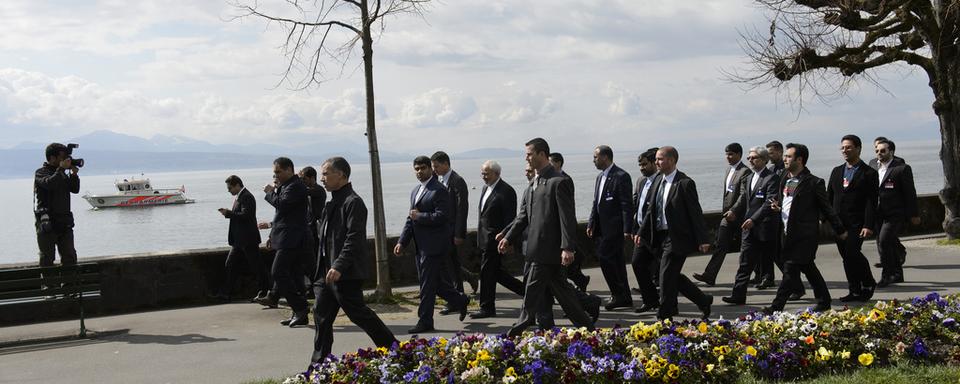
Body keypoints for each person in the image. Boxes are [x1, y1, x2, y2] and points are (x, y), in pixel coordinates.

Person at [500, 138, 595, 338]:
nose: (526, 158)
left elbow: (567, 218)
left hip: (548, 251)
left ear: (542, 155)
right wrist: (508, 238)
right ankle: (589, 329)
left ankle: (515, 331)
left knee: (531, 293)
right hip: (536, 250)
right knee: (566, 296)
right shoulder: (534, 183)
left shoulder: (559, 182)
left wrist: (568, 248)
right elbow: (523, 217)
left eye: (529, 154)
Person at [310, 157, 397, 364]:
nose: (322, 178)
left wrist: (338, 265)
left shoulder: (353, 202)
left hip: (344, 274)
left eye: (325, 173)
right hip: (325, 274)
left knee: (359, 314)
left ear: (341, 175)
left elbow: (354, 239)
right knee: (321, 318)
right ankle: (317, 365)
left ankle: (395, 350)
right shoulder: (332, 202)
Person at [763, 143, 846, 314]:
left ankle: (775, 307)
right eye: (785, 156)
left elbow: (827, 208)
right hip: (786, 232)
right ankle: (824, 301)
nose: (784, 159)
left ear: (799, 159)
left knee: (789, 270)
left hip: (804, 235)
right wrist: (778, 208)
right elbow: (788, 202)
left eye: (788, 156)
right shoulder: (786, 178)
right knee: (808, 268)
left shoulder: (813, 182)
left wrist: (839, 229)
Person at [395, 156, 470, 334]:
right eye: (416, 169)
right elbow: (410, 218)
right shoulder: (415, 191)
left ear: (431, 169)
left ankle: (425, 321)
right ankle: (460, 300)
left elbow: (443, 216)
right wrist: (402, 241)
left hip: (435, 246)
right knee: (434, 284)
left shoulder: (439, 190)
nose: (419, 171)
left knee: (426, 286)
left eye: (423, 168)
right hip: (420, 247)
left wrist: (420, 216)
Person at [637, 146, 713, 321]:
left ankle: (665, 315)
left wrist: (703, 239)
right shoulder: (657, 180)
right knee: (671, 276)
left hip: (677, 238)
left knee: (665, 276)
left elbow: (695, 212)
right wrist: (641, 232)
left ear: (671, 160)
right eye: (656, 159)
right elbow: (650, 210)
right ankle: (703, 300)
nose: (656, 162)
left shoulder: (685, 183)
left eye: (660, 159)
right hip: (659, 236)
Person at [256, 157, 312, 328]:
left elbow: (282, 205)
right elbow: (280, 216)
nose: (276, 175)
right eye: (275, 172)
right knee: (295, 276)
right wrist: (273, 236)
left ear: (289, 170)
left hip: (293, 239)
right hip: (288, 238)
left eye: (278, 172)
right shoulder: (287, 186)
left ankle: (301, 308)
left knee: (278, 272)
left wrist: (269, 192)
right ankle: (299, 313)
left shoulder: (295, 186)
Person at [720, 147, 779, 305]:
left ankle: (796, 287)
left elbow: (769, 202)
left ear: (764, 160)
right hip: (749, 228)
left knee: (779, 260)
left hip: (765, 228)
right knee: (744, 262)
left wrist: (754, 219)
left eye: (754, 158)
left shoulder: (772, 178)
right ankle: (738, 295)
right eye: (749, 158)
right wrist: (733, 210)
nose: (750, 160)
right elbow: (743, 198)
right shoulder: (749, 177)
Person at [827, 134, 879, 302]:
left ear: (858, 148)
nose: (845, 150)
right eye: (842, 147)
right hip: (838, 223)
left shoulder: (869, 173)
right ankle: (854, 289)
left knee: (852, 252)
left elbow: (872, 201)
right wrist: (825, 218)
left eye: (848, 147)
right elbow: (828, 197)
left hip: (857, 223)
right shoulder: (836, 171)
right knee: (846, 257)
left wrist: (868, 225)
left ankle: (868, 281)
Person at [471, 160, 525, 319]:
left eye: (486, 174)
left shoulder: (506, 191)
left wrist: (509, 239)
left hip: (496, 240)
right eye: (482, 173)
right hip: (484, 239)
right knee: (496, 273)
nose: (483, 177)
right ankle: (532, 294)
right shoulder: (484, 188)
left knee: (487, 273)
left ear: (497, 173)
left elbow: (511, 219)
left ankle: (487, 307)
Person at [695, 143, 751, 286]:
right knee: (720, 245)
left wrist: (734, 210)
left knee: (750, 249)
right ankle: (710, 275)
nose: (728, 157)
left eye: (731, 154)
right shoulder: (728, 170)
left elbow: (743, 195)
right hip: (727, 216)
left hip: (739, 216)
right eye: (726, 154)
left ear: (739, 154)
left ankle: (762, 275)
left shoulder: (745, 171)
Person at [587, 145, 634, 310]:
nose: (593, 160)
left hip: (615, 228)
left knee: (605, 258)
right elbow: (596, 202)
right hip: (602, 227)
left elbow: (626, 205)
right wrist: (592, 222)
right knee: (617, 263)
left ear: (605, 157)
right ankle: (624, 296)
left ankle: (618, 293)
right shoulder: (600, 177)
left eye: (595, 157)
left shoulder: (621, 176)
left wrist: (627, 228)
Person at [431, 151, 479, 303]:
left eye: (436, 166)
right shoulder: (439, 180)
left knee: (450, 264)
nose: (434, 170)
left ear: (446, 164)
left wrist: (459, 233)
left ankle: (457, 296)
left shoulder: (457, 181)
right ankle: (463, 286)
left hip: (452, 230)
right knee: (448, 262)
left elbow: (461, 208)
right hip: (442, 230)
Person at [870, 139, 920, 287]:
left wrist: (914, 214)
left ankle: (887, 275)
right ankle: (898, 274)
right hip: (878, 212)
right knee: (886, 242)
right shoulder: (872, 165)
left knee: (885, 241)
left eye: (883, 151)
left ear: (891, 152)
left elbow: (910, 193)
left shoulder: (901, 168)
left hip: (895, 213)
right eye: (877, 151)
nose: (879, 153)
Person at [214, 175, 267, 301]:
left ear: (237, 185)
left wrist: (229, 213)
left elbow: (246, 215)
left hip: (248, 239)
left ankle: (264, 292)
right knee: (230, 264)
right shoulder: (240, 196)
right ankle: (225, 293)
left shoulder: (247, 197)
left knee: (256, 266)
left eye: (230, 187)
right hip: (239, 241)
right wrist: (229, 214)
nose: (228, 190)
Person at [548, 152, 590, 292]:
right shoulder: (552, 178)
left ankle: (580, 286)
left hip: (565, 227)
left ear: (558, 163)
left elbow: (567, 207)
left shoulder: (564, 179)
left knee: (565, 267)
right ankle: (581, 281)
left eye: (550, 162)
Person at [34, 143, 80, 270]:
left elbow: (75, 189)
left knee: (70, 257)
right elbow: (49, 184)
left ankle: (70, 288)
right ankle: (49, 288)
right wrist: (60, 170)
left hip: (64, 222)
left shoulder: (62, 173)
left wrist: (74, 175)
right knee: (47, 259)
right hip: (47, 223)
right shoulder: (41, 173)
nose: (65, 159)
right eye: (62, 157)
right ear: (52, 158)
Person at [630, 147, 661, 313]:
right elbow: (638, 208)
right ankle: (650, 300)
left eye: (644, 164)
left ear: (654, 164)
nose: (642, 168)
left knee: (667, 271)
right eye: (639, 165)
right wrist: (634, 230)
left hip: (656, 233)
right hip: (641, 233)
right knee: (637, 264)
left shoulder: (661, 181)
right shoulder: (641, 181)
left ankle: (700, 297)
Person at [300, 166, 326, 287]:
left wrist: (295, 181)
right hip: (309, 229)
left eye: (304, 179)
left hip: (317, 230)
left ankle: (315, 285)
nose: (303, 181)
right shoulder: (307, 191)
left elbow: (304, 191)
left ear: (312, 178)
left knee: (315, 259)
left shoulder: (319, 190)